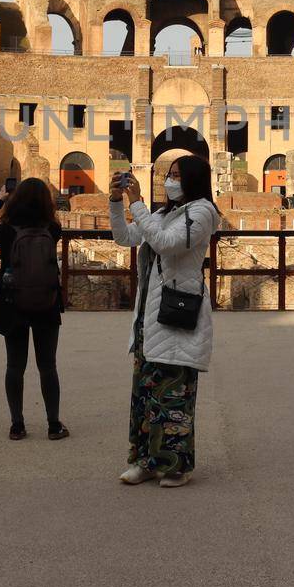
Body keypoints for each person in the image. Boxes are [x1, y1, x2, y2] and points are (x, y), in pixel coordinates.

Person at [110, 155, 220, 488]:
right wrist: (117, 203)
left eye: (176, 176)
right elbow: (125, 237)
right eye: (168, 175)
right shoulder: (163, 213)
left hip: (178, 310)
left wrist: (138, 202)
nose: (170, 181)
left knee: (173, 394)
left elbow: (167, 244)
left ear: (194, 180)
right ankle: (143, 460)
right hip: (149, 313)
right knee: (145, 393)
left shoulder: (203, 212)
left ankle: (176, 465)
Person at [0, 177, 68, 442]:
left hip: (13, 302)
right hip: (47, 302)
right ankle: (54, 425)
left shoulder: (7, 231)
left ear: (16, 199)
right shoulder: (52, 228)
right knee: (48, 366)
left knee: (15, 366)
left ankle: (17, 425)